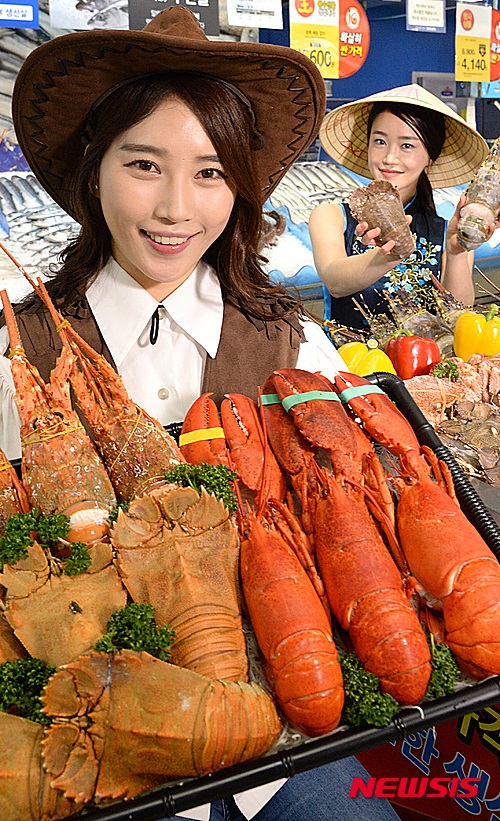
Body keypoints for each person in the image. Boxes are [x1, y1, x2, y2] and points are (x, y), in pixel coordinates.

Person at [0, 7, 400, 821]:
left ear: (240, 185)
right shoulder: (18, 352)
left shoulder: (295, 341)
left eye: (211, 171)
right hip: (111, 760)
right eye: (144, 164)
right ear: (93, 168)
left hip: (289, 742)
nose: (176, 207)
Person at [309, 84, 497, 332]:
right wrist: (388, 255)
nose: (389, 157)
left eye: (407, 145)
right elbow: (335, 281)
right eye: (379, 141)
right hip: (348, 356)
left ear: (430, 157)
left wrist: (456, 254)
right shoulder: (331, 216)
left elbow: (458, 317)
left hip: (424, 357)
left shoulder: (445, 232)